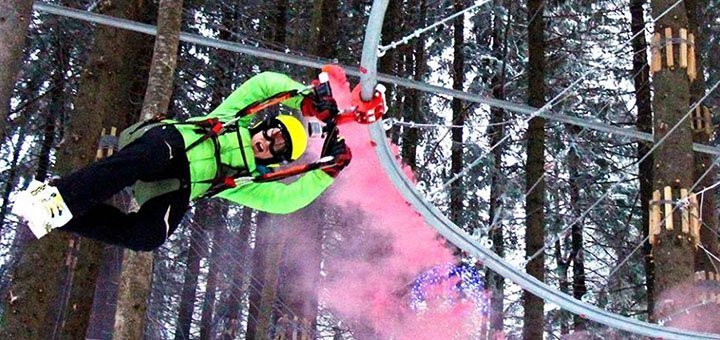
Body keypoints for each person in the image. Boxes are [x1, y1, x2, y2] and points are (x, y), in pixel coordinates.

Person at [12, 71, 352, 251]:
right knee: (150, 156)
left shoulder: (245, 180)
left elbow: (286, 200)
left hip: (175, 186)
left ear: (277, 160)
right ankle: (58, 197)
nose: (268, 142)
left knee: (150, 236)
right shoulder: (234, 118)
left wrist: (325, 174)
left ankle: (63, 215)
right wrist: (304, 97)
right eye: (273, 132)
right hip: (167, 144)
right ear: (265, 124)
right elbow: (263, 84)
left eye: (277, 147)